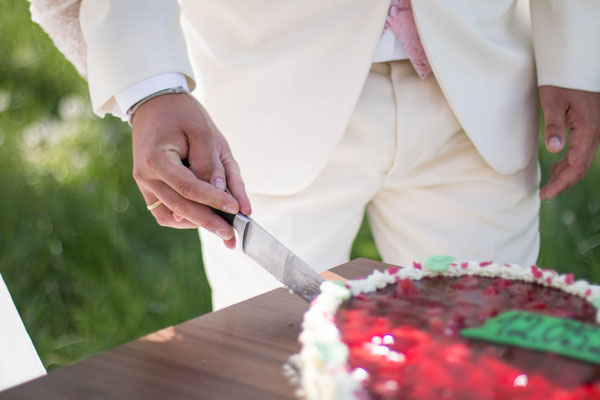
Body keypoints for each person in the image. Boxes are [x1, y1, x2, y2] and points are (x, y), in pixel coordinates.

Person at [29, 0, 600, 311]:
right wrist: (151, 87)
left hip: (479, 85)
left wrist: (576, 54)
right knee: (276, 369)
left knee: (489, 354)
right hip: (266, 92)